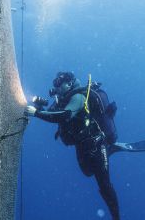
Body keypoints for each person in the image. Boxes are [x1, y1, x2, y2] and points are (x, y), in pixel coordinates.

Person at [24, 71, 145, 220]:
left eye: (58, 84)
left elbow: (64, 115)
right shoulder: (62, 99)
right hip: (81, 145)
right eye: (54, 83)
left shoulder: (78, 97)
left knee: (104, 185)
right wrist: (39, 106)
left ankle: (116, 217)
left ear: (68, 84)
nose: (55, 87)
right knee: (87, 172)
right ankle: (111, 149)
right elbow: (52, 113)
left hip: (96, 144)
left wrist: (36, 113)